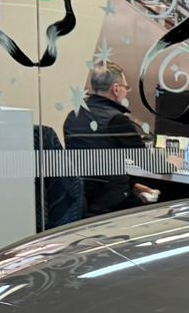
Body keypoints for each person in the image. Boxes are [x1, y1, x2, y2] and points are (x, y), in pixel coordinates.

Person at [63, 61, 158, 215]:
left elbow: (93, 167)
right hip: (112, 204)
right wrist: (172, 161)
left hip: (82, 200)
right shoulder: (116, 120)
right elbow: (148, 162)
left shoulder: (73, 116)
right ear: (115, 89)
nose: (126, 92)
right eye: (126, 88)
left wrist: (132, 186)